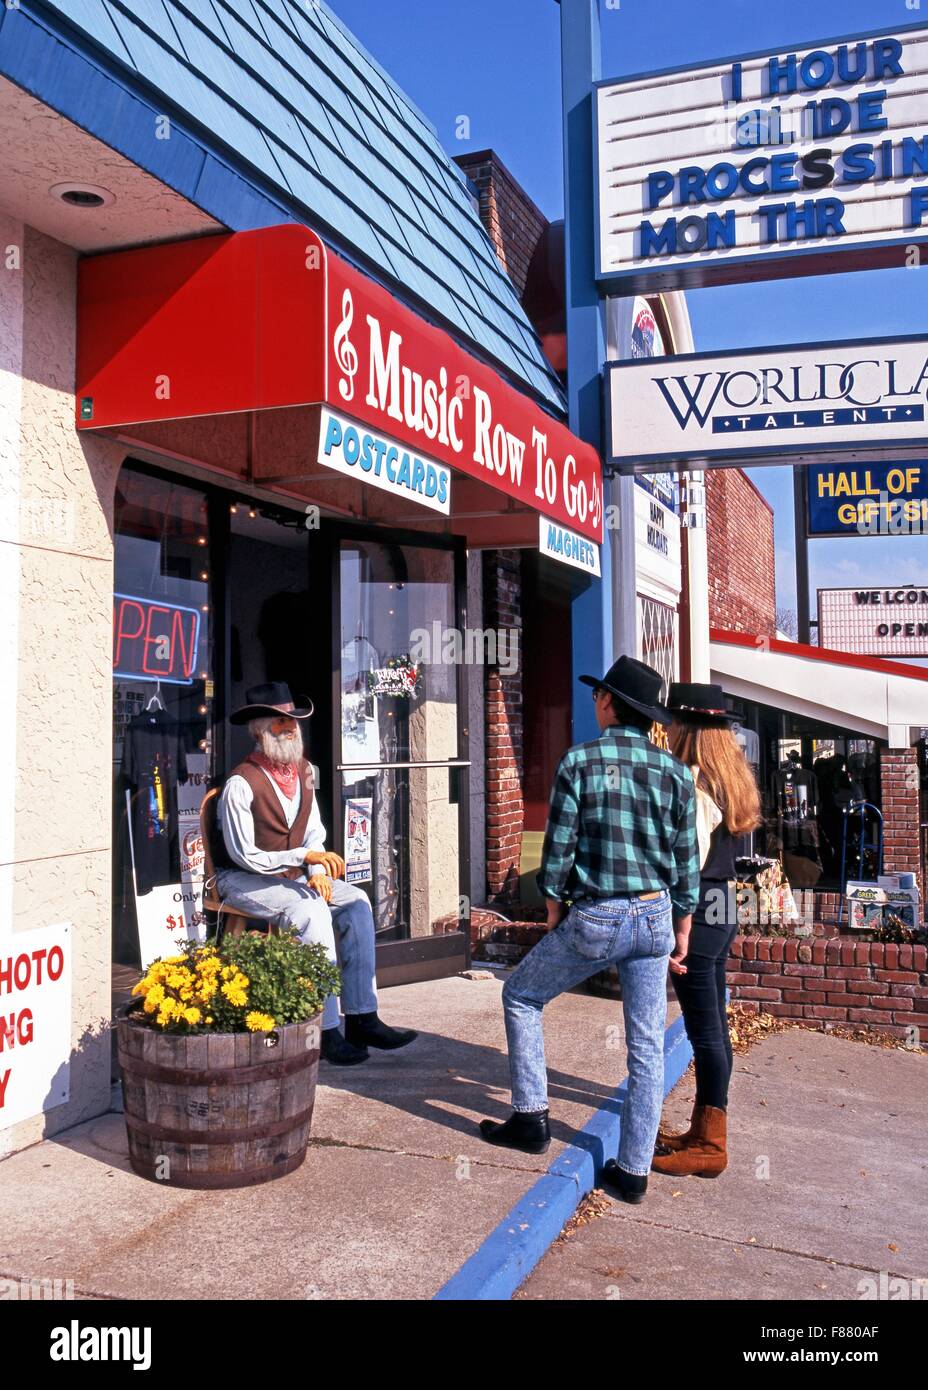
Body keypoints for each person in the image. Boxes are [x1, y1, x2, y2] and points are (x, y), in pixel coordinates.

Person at [478, 656, 700, 1205]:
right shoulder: (675, 773)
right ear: (650, 717)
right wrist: (683, 929)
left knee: (522, 995)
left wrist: (553, 909)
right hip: (654, 916)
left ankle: (531, 1118)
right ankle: (633, 1171)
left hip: (598, 914)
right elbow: (686, 864)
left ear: (606, 702)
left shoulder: (580, 762)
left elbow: (558, 851)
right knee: (646, 1044)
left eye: (598, 695)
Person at [211, 682, 417, 1065]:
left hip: (292, 874)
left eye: (294, 721)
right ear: (258, 729)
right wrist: (302, 858)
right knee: (312, 910)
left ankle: (362, 1017)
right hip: (243, 879)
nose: (290, 728)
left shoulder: (304, 770)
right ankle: (324, 1029)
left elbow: (314, 833)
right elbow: (244, 855)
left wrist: (316, 867)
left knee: (356, 900)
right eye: (279, 722)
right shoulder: (241, 783)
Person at [652, 683, 762, 1179]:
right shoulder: (732, 778)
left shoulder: (695, 782)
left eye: (673, 721)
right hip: (726, 904)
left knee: (705, 1032)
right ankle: (704, 1131)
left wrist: (681, 931)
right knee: (714, 1026)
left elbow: (687, 866)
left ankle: (711, 1145)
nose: (668, 728)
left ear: (687, 729)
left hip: (700, 912)